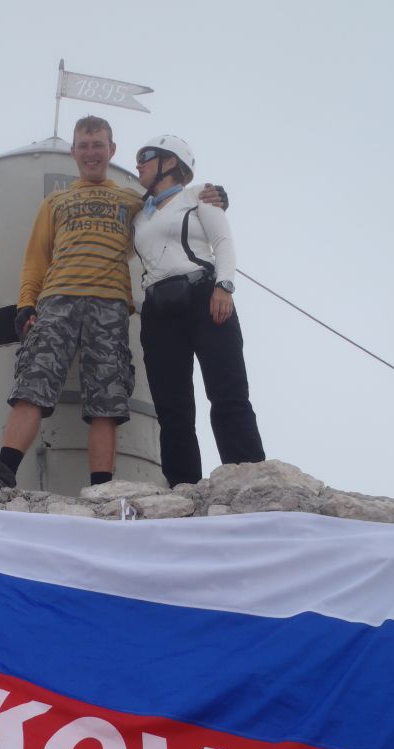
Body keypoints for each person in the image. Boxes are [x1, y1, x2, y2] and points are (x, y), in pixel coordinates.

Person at [0, 118, 224, 494]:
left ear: (111, 150)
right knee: (32, 385)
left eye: (98, 144)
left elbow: (175, 202)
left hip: (110, 305)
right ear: (74, 152)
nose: (91, 152)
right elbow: (36, 258)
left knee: (106, 398)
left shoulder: (133, 202)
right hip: (57, 300)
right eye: (85, 145)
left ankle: (101, 489)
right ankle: (1, 473)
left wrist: (213, 195)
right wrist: (27, 303)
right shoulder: (55, 201)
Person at [132, 135, 265, 487]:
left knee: (227, 390)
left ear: (171, 163)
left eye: (146, 156)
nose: (138, 163)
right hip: (158, 310)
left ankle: (247, 478)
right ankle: (181, 488)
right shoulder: (138, 215)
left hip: (203, 295)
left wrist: (225, 285)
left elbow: (222, 241)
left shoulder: (199, 195)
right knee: (172, 406)